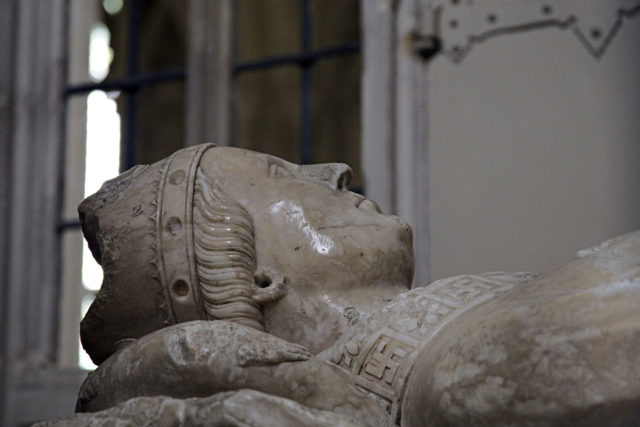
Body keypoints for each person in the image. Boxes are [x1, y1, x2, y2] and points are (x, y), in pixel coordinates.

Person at [72, 144, 640, 426]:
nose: (333, 171)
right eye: (282, 176)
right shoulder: (459, 367)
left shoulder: (447, 344)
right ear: (259, 279)